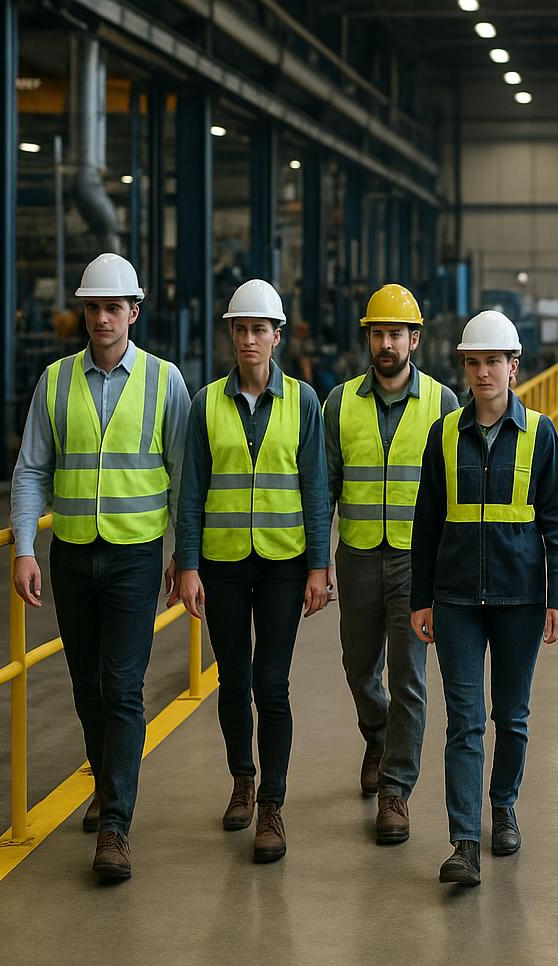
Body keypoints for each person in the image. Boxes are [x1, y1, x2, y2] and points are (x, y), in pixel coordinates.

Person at [9, 253, 191, 881]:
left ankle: (115, 825)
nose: (103, 317)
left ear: (134, 312)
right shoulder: (54, 383)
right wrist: (25, 548)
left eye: (114, 307)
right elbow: (32, 468)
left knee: (122, 686)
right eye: (93, 307)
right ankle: (106, 785)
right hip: (73, 556)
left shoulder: (166, 382)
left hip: (137, 558)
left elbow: (182, 479)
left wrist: (180, 557)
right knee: (86, 685)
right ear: (83, 314)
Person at [410, 309, 558, 887]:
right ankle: (464, 841)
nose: (483, 373)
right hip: (455, 600)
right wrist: (420, 597)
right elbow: (427, 521)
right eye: (473, 362)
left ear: (514, 365)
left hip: (520, 599)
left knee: (512, 717)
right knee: (464, 721)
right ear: (465, 367)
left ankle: (503, 806)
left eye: (493, 362)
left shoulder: (541, 435)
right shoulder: (443, 435)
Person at [171, 279, 331, 864]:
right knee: (234, 680)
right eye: (239, 329)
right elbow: (193, 490)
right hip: (224, 563)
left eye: (258, 329)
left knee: (272, 682)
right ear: (231, 336)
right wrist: (187, 562)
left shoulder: (305, 402)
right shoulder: (206, 402)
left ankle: (272, 804)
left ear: (277, 337)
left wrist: (320, 564)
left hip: (285, 564)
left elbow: (316, 488)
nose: (248, 339)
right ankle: (242, 779)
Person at [323, 284, 458, 843]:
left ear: (414, 340)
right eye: (377, 333)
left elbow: (454, 492)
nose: (385, 343)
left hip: (414, 563)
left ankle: (395, 790)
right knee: (359, 667)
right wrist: (317, 561)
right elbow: (323, 488)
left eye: (395, 333)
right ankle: (375, 736)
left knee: (409, 678)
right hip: (355, 555)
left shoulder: (443, 404)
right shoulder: (339, 403)